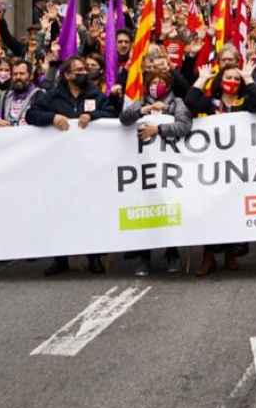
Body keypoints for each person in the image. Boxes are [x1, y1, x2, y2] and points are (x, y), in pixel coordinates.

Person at [25, 55, 114, 275]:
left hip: (89, 164)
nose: (83, 73)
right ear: (66, 75)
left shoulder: (95, 94)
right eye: (78, 70)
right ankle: (61, 259)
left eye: (85, 69)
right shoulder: (52, 96)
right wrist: (52, 117)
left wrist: (92, 115)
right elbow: (31, 115)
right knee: (60, 209)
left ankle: (93, 257)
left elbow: (112, 113)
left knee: (90, 209)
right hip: (60, 165)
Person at [119, 47, 194, 276]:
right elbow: (124, 119)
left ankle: (172, 253)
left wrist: (159, 129)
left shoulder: (177, 103)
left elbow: (184, 126)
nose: (157, 85)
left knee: (168, 206)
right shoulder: (141, 101)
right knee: (145, 207)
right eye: (153, 81)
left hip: (169, 168)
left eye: (161, 81)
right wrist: (145, 110)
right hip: (144, 168)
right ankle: (144, 258)